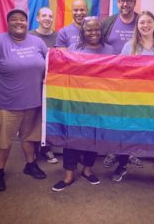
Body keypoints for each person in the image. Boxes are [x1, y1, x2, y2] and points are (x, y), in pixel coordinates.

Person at [0, 8, 48, 192]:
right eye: (14, 19)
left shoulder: (37, 42)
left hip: (34, 103)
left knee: (30, 138)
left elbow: (48, 65)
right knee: (3, 142)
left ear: (27, 22)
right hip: (6, 104)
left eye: (22, 19)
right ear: (8, 23)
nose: (19, 22)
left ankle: (30, 164)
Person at [111, 10, 154, 183]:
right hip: (134, 101)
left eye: (149, 22)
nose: (145, 25)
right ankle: (122, 165)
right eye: (142, 22)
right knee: (127, 133)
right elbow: (121, 73)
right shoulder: (128, 47)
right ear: (137, 26)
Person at [52, 17, 113, 192]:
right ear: (83, 32)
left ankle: (87, 170)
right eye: (89, 30)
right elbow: (65, 75)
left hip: (99, 102)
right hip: (76, 103)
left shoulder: (109, 50)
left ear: (101, 32)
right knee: (72, 138)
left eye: (97, 30)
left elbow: (114, 77)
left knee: (93, 137)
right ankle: (68, 174)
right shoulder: (73, 50)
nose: (93, 33)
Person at [102, 0, 143, 169]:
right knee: (113, 117)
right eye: (121, 1)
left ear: (134, 2)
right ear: (117, 3)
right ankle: (112, 151)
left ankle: (131, 152)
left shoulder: (143, 21)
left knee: (132, 117)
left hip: (136, 80)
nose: (124, 4)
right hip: (112, 80)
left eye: (128, 0)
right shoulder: (109, 22)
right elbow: (98, 44)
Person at [29, 6, 59, 164]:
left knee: (48, 117)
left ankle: (46, 149)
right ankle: (32, 150)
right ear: (38, 18)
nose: (48, 18)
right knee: (33, 117)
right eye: (44, 16)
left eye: (50, 16)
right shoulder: (29, 36)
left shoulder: (58, 37)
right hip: (33, 84)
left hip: (52, 84)